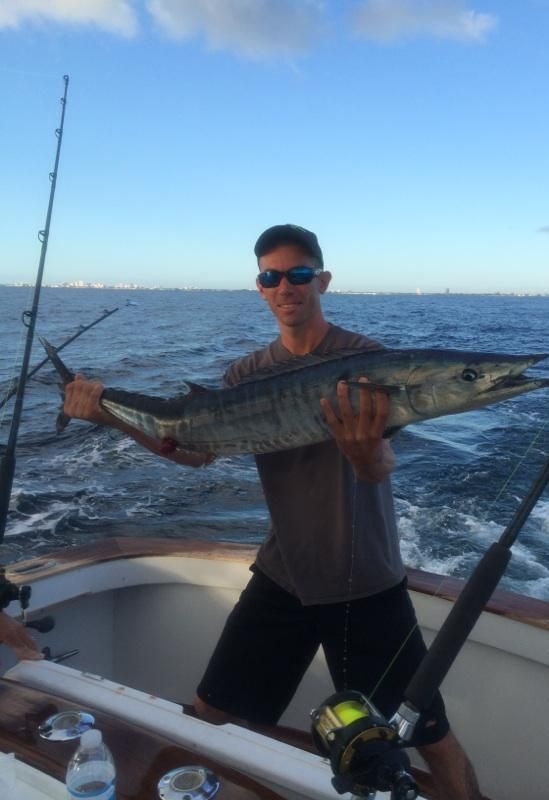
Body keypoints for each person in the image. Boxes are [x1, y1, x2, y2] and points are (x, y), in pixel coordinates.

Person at [63, 224, 481, 800]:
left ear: (322, 280)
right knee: (209, 711)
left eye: (299, 274)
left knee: (429, 735)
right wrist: (108, 412)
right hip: (284, 574)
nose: (286, 286)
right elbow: (194, 450)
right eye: (271, 276)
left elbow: (380, 464)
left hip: (366, 578)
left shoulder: (367, 361)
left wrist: (363, 458)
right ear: (260, 288)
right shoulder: (244, 375)